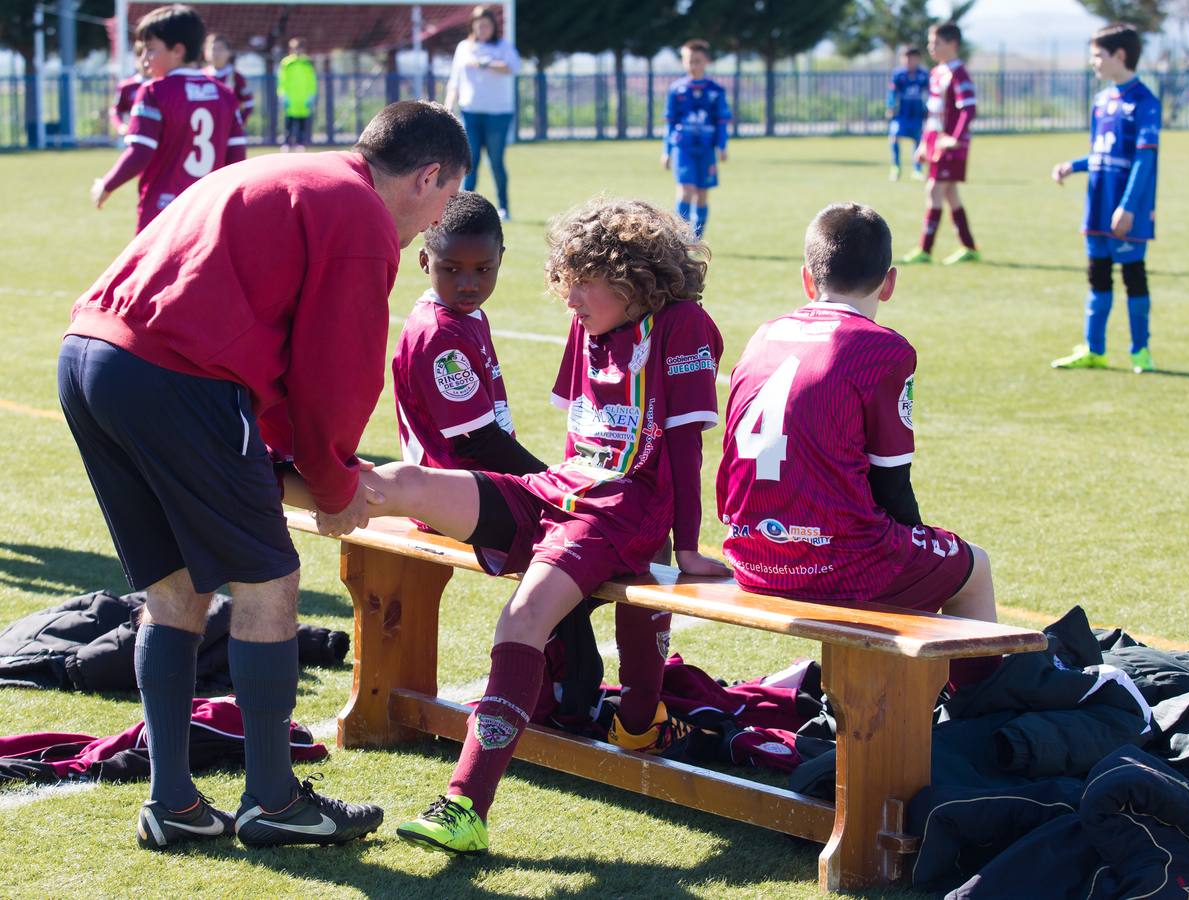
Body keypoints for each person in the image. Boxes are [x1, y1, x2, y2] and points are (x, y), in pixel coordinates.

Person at [58, 100, 470, 851]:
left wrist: (285, 463)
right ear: (429, 175)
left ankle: (173, 803)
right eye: (445, 201)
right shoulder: (360, 215)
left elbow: (260, 334)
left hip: (89, 355)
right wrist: (337, 483)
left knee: (176, 590)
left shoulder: (291, 170)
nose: (438, 221)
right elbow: (331, 374)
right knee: (269, 582)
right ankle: (274, 802)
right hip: (172, 375)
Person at [286, 197, 728, 855]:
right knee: (403, 483)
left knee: (521, 620)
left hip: (620, 514)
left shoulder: (684, 326)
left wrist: (687, 549)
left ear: (632, 277)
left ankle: (465, 805)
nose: (567, 296)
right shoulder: (589, 324)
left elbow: (686, 450)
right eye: (564, 277)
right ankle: (254, 478)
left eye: (582, 279)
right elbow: (581, 444)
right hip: (564, 492)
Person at [717, 203, 998, 690]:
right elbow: (892, 481)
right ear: (888, 283)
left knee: (896, 550)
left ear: (807, 280)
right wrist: (913, 547)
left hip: (749, 552)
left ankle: (881, 698)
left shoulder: (765, 334)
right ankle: (981, 717)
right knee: (973, 567)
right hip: (836, 561)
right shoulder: (883, 348)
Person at [393, 190, 545, 478]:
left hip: (476, 486)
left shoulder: (466, 314)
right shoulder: (440, 335)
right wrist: (549, 482)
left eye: (483, 269)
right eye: (451, 269)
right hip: (451, 495)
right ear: (425, 260)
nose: (468, 284)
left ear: (500, 258)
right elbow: (477, 442)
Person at [1050, 23, 1160, 374]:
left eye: (1097, 55)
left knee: (1134, 277)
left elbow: (1145, 160)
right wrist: (1074, 165)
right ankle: (1094, 349)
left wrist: (1128, 205)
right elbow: (1101, 153)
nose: (1092, 61)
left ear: (1119, 56)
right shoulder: (1102, 101)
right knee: (1097, 277)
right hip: (1097, 207)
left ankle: (1140, 352)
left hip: (1127, 210)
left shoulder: (1145, 102)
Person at [91, 5, 247, 233]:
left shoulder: (154, 91)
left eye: (150, 50)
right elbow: (236, 160)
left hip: (162, 211)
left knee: (155, 269)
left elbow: (140, 152)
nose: (144, 59)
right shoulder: (225, 95)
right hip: (208, 212)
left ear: (177, 51)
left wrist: (107, 184)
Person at [900, 22, 980, 265]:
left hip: (951, 146)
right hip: (936, 143)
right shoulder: (936, 73)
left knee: (934, 190)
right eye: (930, 42)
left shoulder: (959, 73)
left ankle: (925, 250)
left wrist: (955, 138)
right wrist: (925, 143)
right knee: (950, 194)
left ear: (952, 44)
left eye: (936, 42)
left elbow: (969, 109)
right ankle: (969, 247)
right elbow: (933, 114)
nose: (930, 47)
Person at [444, 6, 521, 220]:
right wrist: (448, 106)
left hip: (498, 114)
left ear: (493, 27)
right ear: (473, 26)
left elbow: (513, 67)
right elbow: (455, 81)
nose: (482, 29)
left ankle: (504, 207)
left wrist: (487, 63)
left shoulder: (503, 47)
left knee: (495, 161)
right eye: (479, 25)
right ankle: (463, 208)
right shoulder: (464, 47)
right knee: (470, 161)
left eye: (486, 25)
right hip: (470, 113)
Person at [663, 38, 731, 238]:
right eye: (689, 60)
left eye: (697, 61)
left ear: (706, 61)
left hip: (706, 149)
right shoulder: (677, 89)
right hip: (683, 147)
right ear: (684, 61)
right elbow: (669, 121)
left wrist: (722, 145)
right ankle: (680, 237)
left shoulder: (715, 91)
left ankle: (697, 237)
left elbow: (721, 121)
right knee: (685, 191)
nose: (693, 65)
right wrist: (666, 151)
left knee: (701, 194)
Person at [886, 46, 929, 181]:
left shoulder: (923, 75)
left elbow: (929, 93)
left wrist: (928, 109)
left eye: (911, 58)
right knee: (894, 136)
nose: (908, 61)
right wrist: (890, 106)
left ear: (918, 59)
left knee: (918, 140)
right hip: (901, 114)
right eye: (905, 58)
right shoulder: (898, 75)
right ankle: (896, 167)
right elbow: (892, 93)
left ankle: (917, 170)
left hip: (917, 113)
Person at [204, 33, 255, 123]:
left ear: (228, 53)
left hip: (229, 129)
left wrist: (240, 123)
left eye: (220, 49)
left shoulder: (236, 77)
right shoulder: (201, 76)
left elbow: (249, 103)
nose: (216, 53)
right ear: (206, 52)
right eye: (213, 49)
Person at [278, 37, 317, 152]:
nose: (298, 51)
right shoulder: (286, 63)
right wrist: (282, 94)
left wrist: (312, 95)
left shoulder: (308, 63)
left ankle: (301, 143)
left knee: (302, 122)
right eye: (295, 48)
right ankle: (287, 143)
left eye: (300, 48)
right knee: (289, 122)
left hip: (304, 98)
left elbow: (312, 80)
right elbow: (282, 80)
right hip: (291, 98)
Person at [109, 42, 145, 138]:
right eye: (140, 55)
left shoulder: (163, 84)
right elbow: (116, 110)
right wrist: (120, 126)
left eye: (150, 52)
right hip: (135, 136)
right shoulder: (127, 86)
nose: (145, 59)